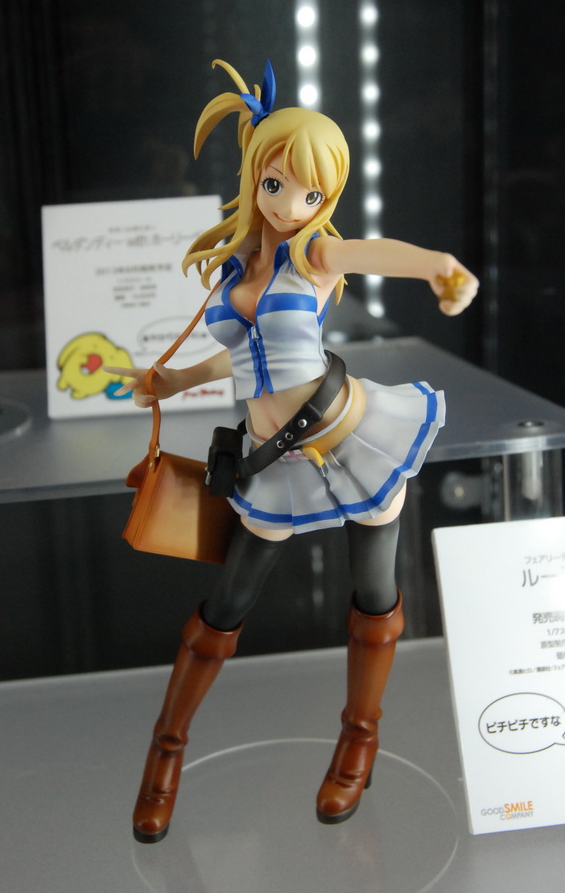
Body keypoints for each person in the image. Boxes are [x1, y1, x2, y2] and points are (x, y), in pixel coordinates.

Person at [113, 59, 479, 843]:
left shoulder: (313, 255)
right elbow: (242, 358)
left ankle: (358, 740)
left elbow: (371, 251)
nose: (290, 206)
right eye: (277, 185)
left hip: (350, 437)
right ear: (254, 175)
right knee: (225, 605)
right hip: (269, 459)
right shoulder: (236, 266)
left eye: (311, 195)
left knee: (373, 594)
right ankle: (165, 753)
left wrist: (438, 268)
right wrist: (173, 379)